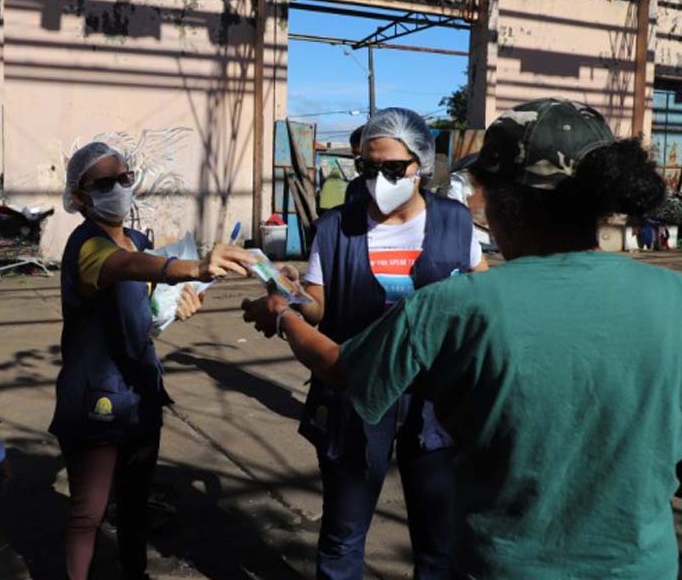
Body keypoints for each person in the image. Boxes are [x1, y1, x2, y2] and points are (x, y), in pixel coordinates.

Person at [243, 98, 678, 579]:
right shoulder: (672, 297)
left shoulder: (458, 304)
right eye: (367, 166)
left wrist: (284, 317)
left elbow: (337, 366)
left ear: (499, 202)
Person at [282, 108, 486, 579]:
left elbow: (481, 295)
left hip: (435, 400)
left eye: (394, 169)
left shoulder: (455, 223)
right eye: (368, 167)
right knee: (343, 532)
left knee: (438, 538)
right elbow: (317, 305)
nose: (380, 179)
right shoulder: (336, 228)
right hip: (356, 391)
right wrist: (288, 297)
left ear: (421, 165)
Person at [52, 142, 253, 580]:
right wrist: (194, 268)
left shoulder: (139, 239)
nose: (119, 189)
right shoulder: (86, 246)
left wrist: (174, 307)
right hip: (96, 398)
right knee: (89, 511)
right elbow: (126, 267)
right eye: (104, 183)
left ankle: (134, 572)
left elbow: (141, 309)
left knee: (136, 503)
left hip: (141, 389)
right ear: (81, 196)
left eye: (125, 179)